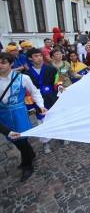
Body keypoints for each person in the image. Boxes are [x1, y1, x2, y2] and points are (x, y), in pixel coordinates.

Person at [0, 52, 46, 181]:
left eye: (3, 62)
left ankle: (27, 164)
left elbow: (34, 91)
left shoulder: (22, 78)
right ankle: (30, 154)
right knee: (12, 138)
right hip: (3, 115)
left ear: (11, 64)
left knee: (21, 139)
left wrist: (40, 105)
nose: (0, 65)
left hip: (18, 113)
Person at [26, 48, 60, 153]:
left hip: (52, 97)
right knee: (42, 121)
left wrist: (59, 87)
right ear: (30, 58)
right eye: (36, 56)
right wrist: (30, 106)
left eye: (40, 55)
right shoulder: (26, 74)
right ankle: (46, 142)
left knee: (56, 117)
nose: (39, 58)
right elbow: (26, 91)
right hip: (37, 100)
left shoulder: (51, 69)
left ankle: (61, 135)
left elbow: (57, 82)